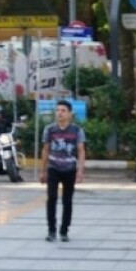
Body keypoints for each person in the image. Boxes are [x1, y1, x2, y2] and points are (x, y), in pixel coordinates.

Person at [40, 99, 85, 242]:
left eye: (63, 110)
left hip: (70, 169)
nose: (59, 113)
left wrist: (80, 171)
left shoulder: (76, 130)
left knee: (67, 201)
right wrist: (43, 171)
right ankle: (51, 230)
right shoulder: (50, 129)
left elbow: (81, 151)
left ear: (70, 114)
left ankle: (64, 230)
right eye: (58, 110)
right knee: (51, 198)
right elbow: (45, 150)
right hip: (53, 168)